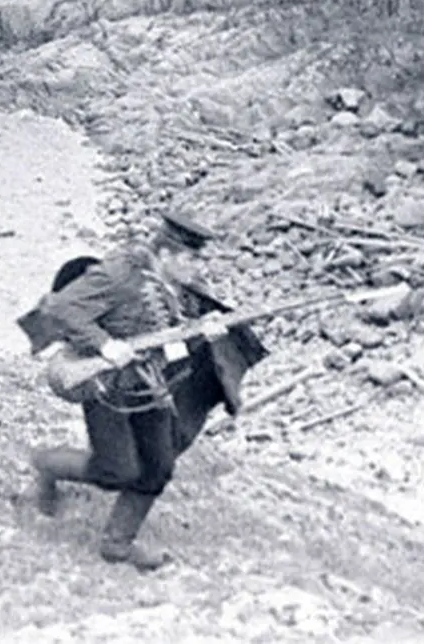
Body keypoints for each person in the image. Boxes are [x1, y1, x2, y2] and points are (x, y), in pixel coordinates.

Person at [19, 212, 267, 570]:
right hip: (107, 388)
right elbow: (61, 308)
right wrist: (104, 345)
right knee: (116, 471)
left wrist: (201, 330)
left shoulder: (170, 284)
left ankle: (117, 546)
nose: (197, 268)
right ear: (165, 255)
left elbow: (164, 334)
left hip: (149, 385)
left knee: (159, 467)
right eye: (190, 259)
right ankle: (46, 465)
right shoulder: (121, 274)